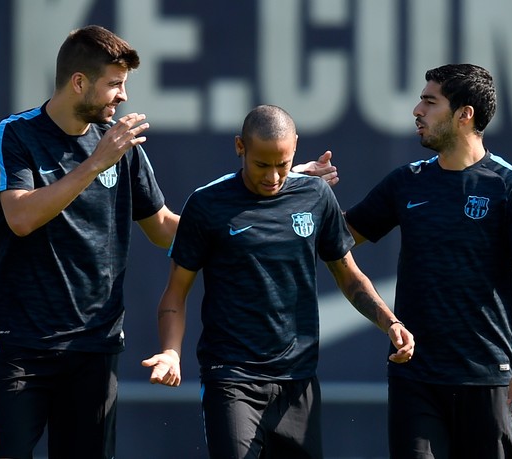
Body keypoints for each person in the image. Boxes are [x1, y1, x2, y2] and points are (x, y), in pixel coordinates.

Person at [141, 104, 415, 459]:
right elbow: (175, 292)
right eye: (261, 165)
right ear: (240, 147)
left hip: (298, 379)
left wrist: (389, 322)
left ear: (295, 148)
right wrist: (170, 352)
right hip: (231, 377)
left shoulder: (315, 195)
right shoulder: (206, 204)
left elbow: (349, 276)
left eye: (282, 165)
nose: (272, 177)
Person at [0, 25, 179, 458]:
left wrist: (254, 203)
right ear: (79, 82)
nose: (123, 96)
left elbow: (163, 226)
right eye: (114, 84)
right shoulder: (16, 134)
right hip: (24, 345)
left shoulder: (119, 147)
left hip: (94, 344)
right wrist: (96, 161)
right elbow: (22, 217)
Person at [341, 64, 512, 458]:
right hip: (415, 377)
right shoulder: (407, 182)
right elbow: (335, 239)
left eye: (429, 100)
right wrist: (300, 190)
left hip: (487, 378)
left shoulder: (510, 187)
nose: (417, 111)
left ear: (463, 115)